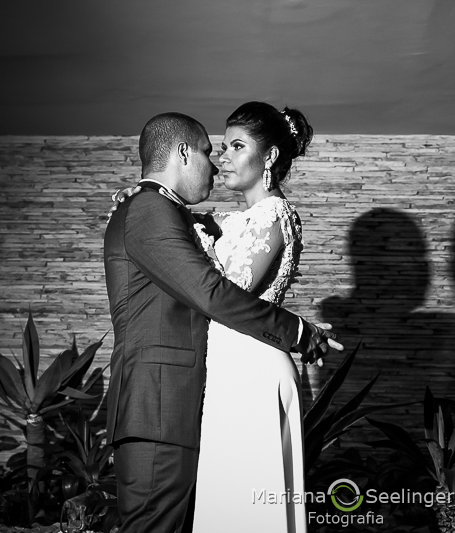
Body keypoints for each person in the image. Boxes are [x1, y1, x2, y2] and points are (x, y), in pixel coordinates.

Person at [103, 110, 341, 533]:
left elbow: (217, 287)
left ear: (269, 157)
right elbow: (210, 290)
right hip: (168, 401)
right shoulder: (158, 210)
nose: (219, 161)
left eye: (235, 146)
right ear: (182, 153)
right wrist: (297, 331)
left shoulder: (267, 215)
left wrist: (149, 198)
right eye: (212, 150)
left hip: (238, 376)